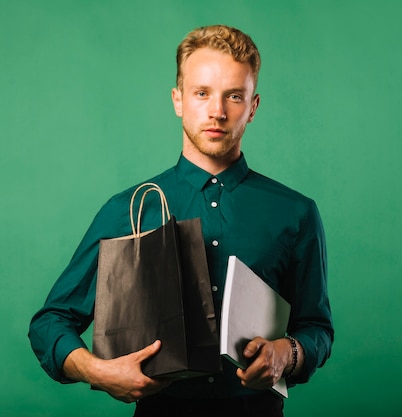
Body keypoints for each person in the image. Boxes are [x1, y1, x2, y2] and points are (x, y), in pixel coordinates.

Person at [28, 24, 333, 416]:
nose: (217, 111)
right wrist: (98, 372)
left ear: (253, 107)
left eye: (234, 96)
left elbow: (317, 330)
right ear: (178, 100)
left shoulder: (296, 213)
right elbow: (50, 322)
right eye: (202, 93)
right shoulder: (129, 209)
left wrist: (286, 354)